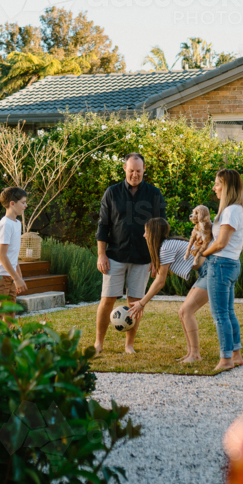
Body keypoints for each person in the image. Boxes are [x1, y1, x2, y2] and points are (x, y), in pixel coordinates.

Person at [94, 152, 166, 354]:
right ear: (125, 169)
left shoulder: (154, 194)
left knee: (135, 303)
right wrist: (101, 254)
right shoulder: (112, 192)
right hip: (115, 255)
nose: (135, 174)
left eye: (139, 171)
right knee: (107, 300)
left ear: (144, 170)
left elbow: (160, 229)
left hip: (143, 258)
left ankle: (129, 345)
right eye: (131, 170)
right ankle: (99, 343)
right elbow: (103, 225)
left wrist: (155, 258)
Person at [129, 217, 206, 362]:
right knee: (183, 312)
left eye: (146, 232)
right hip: (206, 272)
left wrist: (141, 303)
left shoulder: (166, 247)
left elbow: (160, 281)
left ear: (153, 233)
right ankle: (190, 353)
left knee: (186, 311)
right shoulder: (166, 246)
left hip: (213, 271)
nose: (144, 235)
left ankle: (195, 355)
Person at [199, 168, 243, 371]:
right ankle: (236, 355)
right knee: (228, 312)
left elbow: (221, 243)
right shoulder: (237, 210)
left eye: (218, 184)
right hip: (231, 264)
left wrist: (202, 254)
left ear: (227, 186)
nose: (214, 187)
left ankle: (226, 359)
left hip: (220, 264)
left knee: (220, 315)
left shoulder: (230, 211)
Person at [0, 186, 28, 305]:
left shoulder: (17, 224)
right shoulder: (5, 224)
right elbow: (2, 255)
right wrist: (16, 278)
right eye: (23, 202)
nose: (26, 206)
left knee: (10, 314)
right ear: (12, 203)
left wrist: (19, 277)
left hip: (10, 275)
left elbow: (13, 255)